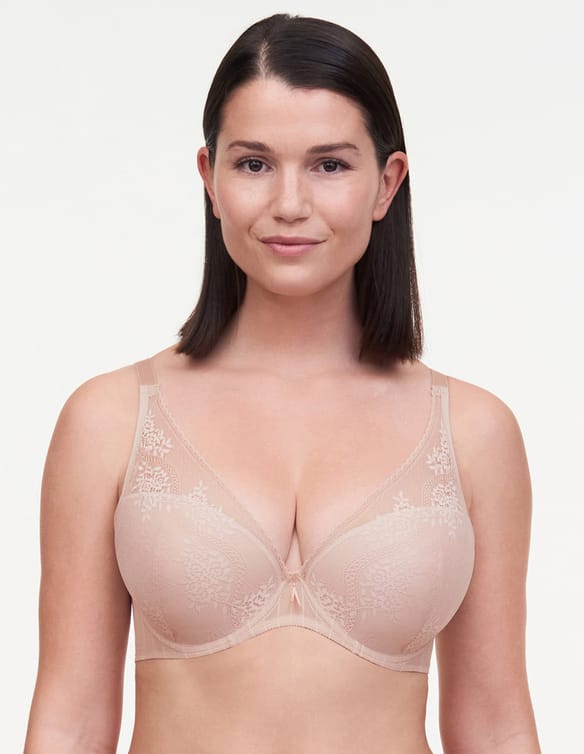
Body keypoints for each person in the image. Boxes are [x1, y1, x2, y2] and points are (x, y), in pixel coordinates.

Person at [24, 12, 541, 754]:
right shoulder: (108, 420)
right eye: (254, 164)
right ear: (209, 179)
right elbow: (69, 723)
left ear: (386, 183)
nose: (290, 204)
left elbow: (494, 725)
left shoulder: (474, 431)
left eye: (329, 165)